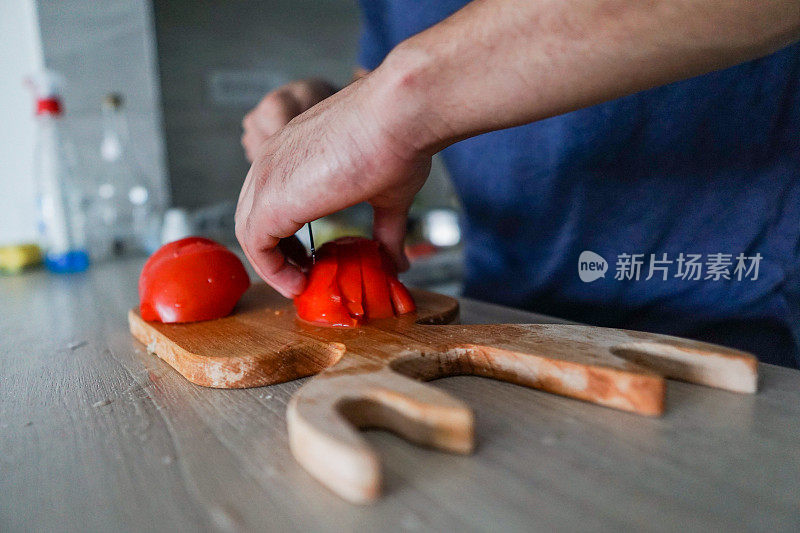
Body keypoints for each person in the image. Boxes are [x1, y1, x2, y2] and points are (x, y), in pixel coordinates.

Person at [236, 0, 800, 367]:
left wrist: (400, 99)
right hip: (492, 333)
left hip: (726, 339)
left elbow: (402, 95)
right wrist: (328, 109)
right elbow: (382, 86)